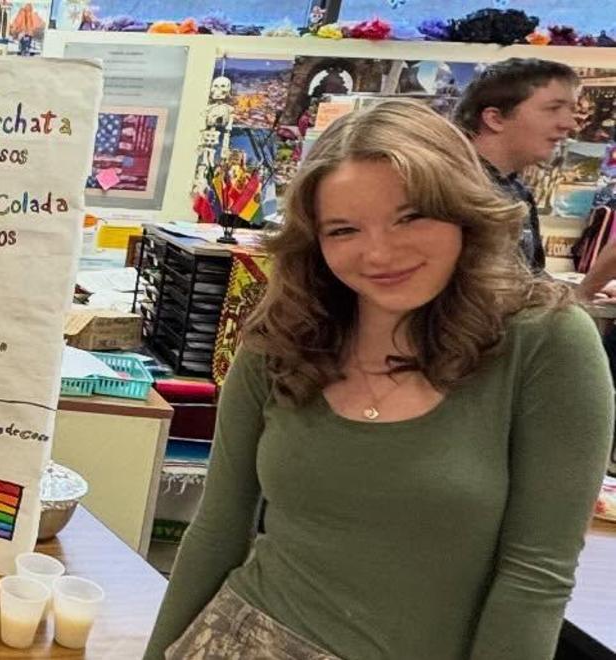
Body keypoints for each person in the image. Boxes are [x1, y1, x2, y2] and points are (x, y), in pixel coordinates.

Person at [147, 100, 614, 659]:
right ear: (314, 240)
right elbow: (217, 531)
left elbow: (534, 576)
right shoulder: (283, 339)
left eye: (410, 216)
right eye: (344, 229)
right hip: (242, 638)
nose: (379, 252)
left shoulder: (546, 342)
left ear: (463, 210)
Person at [453, 57, 581, 273]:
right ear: (495, 119)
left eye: (570, 110)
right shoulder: (449, 190)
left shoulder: (515, 189)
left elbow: (531, 281)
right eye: (553, 109)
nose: (569, 124)